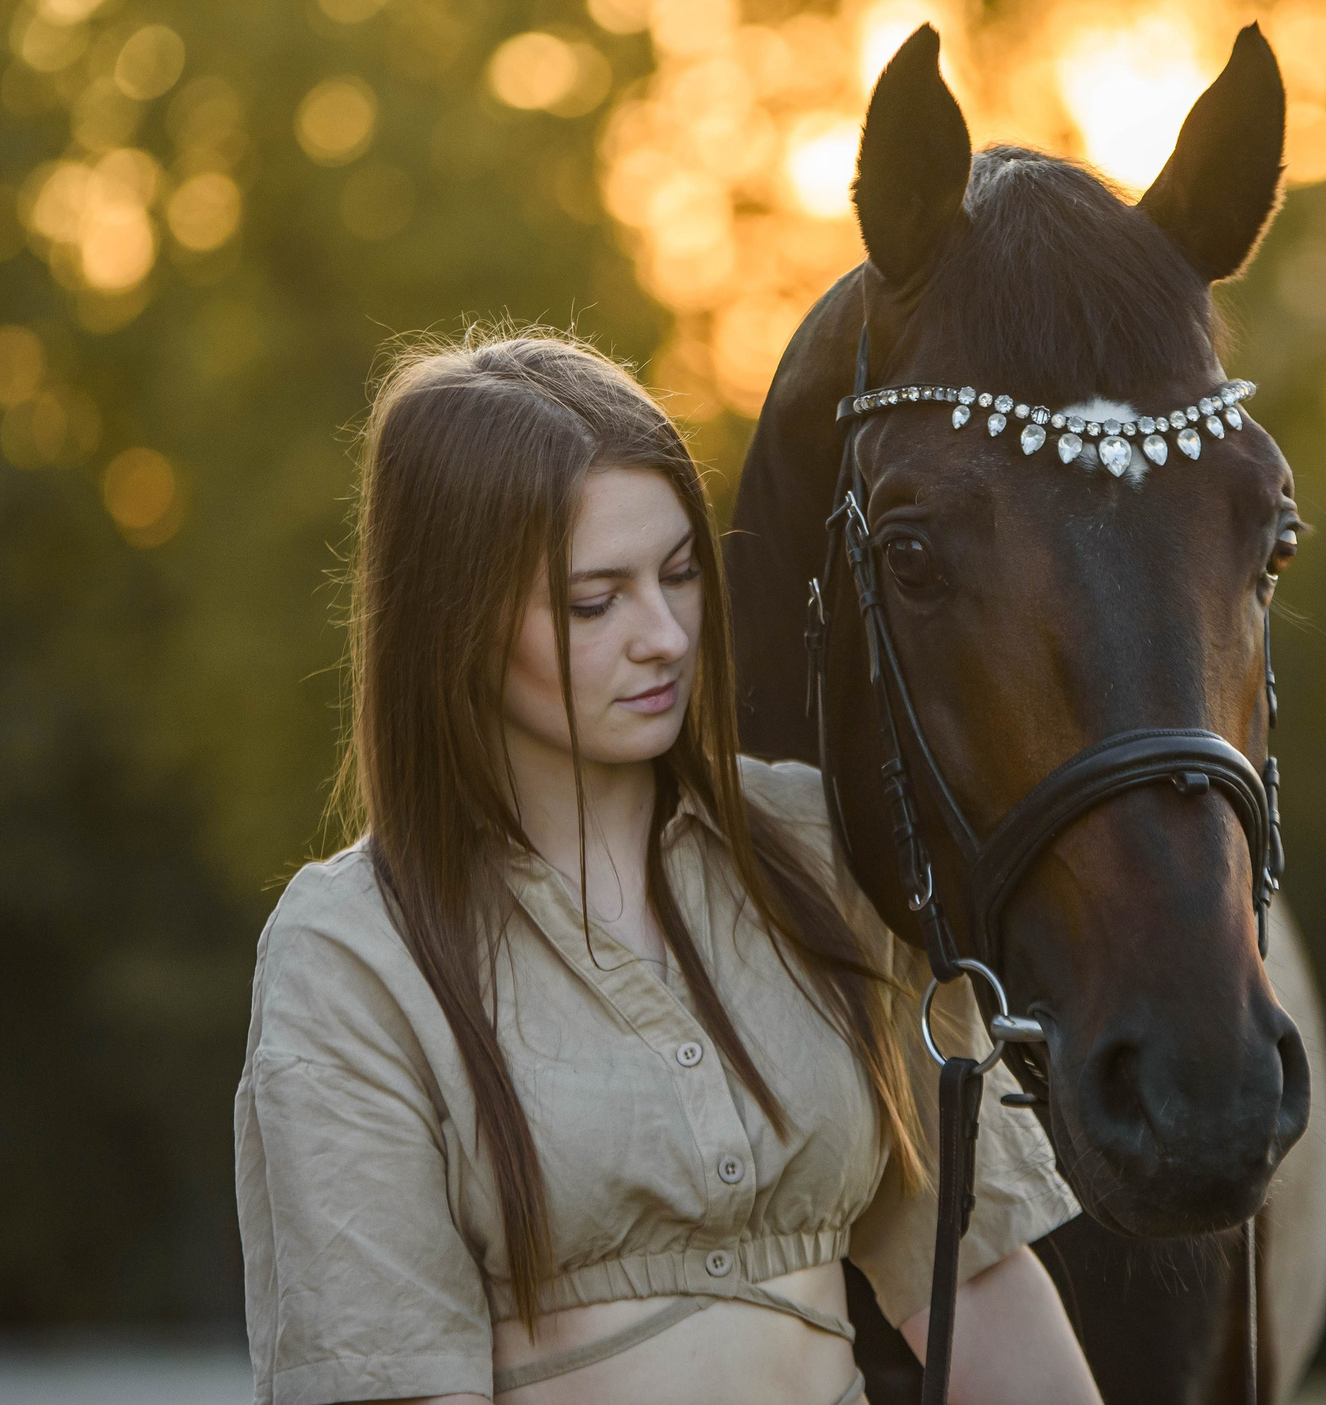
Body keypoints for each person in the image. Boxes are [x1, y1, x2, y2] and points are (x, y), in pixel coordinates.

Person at [235, 332, 1098, 1405]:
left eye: (681, 574)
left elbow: (971, 1278)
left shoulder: (824, 852)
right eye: (595, 600)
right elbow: (389, 1375)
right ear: (454, 620)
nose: (664, 635)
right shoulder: (355, 951)